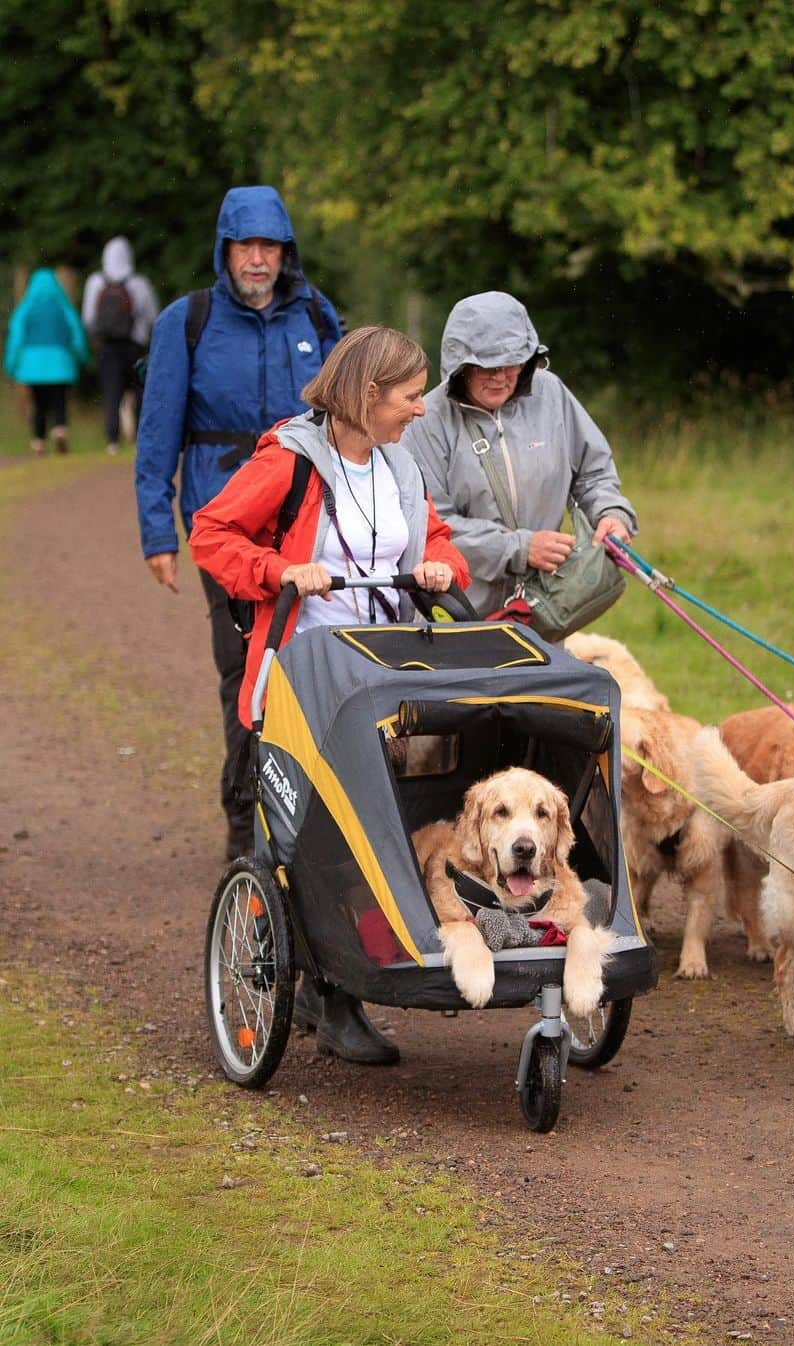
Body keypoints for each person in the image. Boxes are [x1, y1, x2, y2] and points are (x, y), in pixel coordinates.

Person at [190, 324, 470, 1065]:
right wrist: (280, 569)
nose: (421, 410)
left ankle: (367, 968)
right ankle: (332, 994)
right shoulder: (290, 461)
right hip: (307, 679)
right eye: (410, 397)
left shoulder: (400, 467)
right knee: (325, 836)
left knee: (392, 819)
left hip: (387, 674)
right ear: (369, 394)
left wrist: (438, 564)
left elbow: (433, 537)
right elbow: (211, 534)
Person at [136, 185, 342, 863]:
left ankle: (316, 820)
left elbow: (352, 419)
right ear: (224, 250)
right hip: (222, 523)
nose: (258, 259)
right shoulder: (185, 322)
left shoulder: (316, 316)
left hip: (304, 520)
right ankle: (243, 825)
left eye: (270, 246)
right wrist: (158, 534)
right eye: (246, 246)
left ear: (287, 252)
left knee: (314, 666)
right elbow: (158, 429)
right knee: (245, 672)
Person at [401, 290, 637, 620]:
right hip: (458, 613)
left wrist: (610, 513)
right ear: (461, 367)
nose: (500, 377)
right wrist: (520, 549)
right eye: (487, 367)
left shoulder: (550, 393)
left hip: (540, 611)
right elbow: (431, 526)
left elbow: (593, 472)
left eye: (511, 363)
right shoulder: (426, 421)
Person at [81, 236, 159, 454]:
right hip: (134, 346)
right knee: (139, 392)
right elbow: (152, 315)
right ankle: (139, 439)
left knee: (111, 393)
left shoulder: (95, 282)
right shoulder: (139, 283)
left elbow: (88, 318)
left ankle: (112, 441)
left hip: (107, 347)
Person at [3, 268, 89, 455]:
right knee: (60, 400)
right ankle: (60, 429)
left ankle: (38, 442)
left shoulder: (25, 308)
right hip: (61, 362)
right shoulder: (63, 307)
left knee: (38, 403)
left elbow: (16, 339)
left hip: (32, 366)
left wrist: (10, 365)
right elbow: (77, 336)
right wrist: (81, 357)